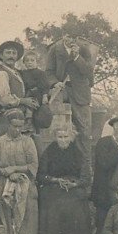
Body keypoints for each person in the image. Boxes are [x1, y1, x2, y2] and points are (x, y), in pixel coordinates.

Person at [0, 107, 39, 234]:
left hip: (25, 184)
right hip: (3, 185)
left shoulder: (28, 142)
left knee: (27, 218)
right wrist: (5, 172)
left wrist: (15, 169)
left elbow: (33, 164)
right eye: (14, 126)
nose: (17, 129)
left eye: (20, 126)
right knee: (6, 218)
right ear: (8, 125)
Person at [37, 124, 92, 234]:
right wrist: (55, 180)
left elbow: (86, 178)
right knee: (53, 213)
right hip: (53, 189)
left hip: (73, 189)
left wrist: (75, 184)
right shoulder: (49, 152)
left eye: (65, 137)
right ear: (55, 138)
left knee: (76, 212)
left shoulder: (78, 152)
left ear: (71, 137)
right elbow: (41, 175)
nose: (62, 140)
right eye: (59, 137)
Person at [47, 34, 97, 180]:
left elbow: (88, 71)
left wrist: (76, 57)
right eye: (67, 37)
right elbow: (48, 72)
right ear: (62, 36)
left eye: (74, 38)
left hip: (80, 94)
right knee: (56, 124)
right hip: (61, 89)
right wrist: (54, 82)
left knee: (84, 131)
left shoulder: (84, 49)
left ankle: (86, 174)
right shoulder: (54, 50)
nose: (70, 40)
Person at [91, 114, 118, 234]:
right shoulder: (104, 142)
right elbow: (105, 164)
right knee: (104, 227)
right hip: (106, 194)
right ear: (114, 128)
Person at [0, 41, 39, 135]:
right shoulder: (2, 73)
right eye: (8, 53)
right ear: (1, 55)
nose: (11, 56)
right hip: (9, 117)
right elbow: (4, 99)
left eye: (14, 53)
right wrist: (24, 101)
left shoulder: (17, 72)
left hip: (21, 116)